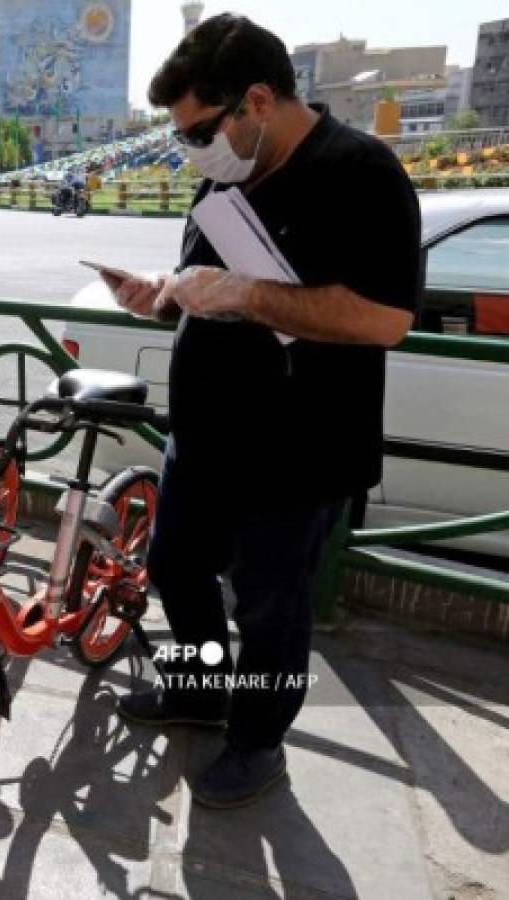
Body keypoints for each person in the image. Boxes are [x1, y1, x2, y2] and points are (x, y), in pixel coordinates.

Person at [105, 14, 421, 808]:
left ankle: (257, 742)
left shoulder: (363, 172)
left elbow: (385, 318)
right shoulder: (226, 174)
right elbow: (200, 285)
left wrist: (250, 293)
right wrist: (159, 298)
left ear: (257, 99)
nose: (192, 149)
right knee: (174, 568)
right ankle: (199, 691)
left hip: (298, 451)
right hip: (202, 437)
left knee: (271, 611)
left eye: (200, 130)